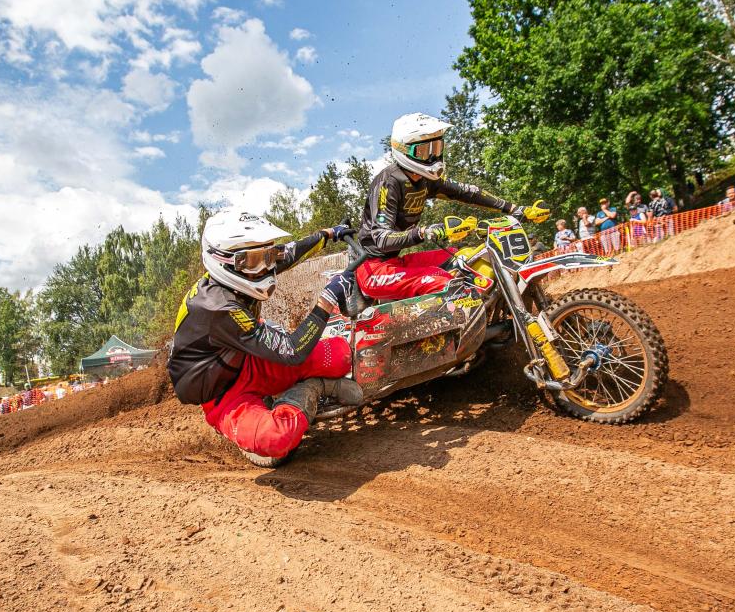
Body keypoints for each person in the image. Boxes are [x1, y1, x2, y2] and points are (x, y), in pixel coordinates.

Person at [168, 211, 363, 464]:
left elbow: (288, 253)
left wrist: (328, 234)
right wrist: (328, 298)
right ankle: (314, 388)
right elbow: (293, 351)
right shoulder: (217, 306)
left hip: (249, 359)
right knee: (277, 439)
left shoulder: (244, 269)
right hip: (223, 395)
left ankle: (294, 391)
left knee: (341, 354)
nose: (264, 266)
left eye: (267, 255)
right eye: (254, 260)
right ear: (225, 261)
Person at [355, 112, 549, 300]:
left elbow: (468, 192)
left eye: (437, 148)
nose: (433, 157)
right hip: (372, 270)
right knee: (445, 282)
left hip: (396, 263)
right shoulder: (389, 182)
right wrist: (426, 232)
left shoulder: (425, 179)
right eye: (424, 151)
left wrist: (515, 209)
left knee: (468, 258)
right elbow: (382, 238)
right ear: (404, 150)